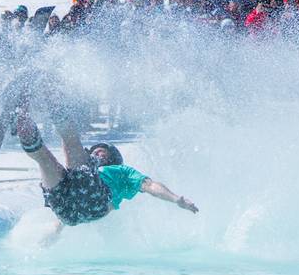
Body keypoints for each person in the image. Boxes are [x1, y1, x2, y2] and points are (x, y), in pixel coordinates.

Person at [13, 89, 198, 231]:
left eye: (104, 154)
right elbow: (67, 218)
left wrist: (176, 199)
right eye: (97, 152)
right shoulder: (80, 172)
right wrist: (51, 235)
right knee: (44, 160)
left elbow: (150, 186)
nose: (99, 154)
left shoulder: (122, 172)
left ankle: (51, 94)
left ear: (114, 160)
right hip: (66, 212)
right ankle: (23, 122)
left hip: (96, 204)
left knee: (71, 146)